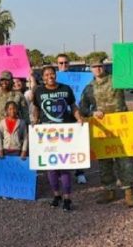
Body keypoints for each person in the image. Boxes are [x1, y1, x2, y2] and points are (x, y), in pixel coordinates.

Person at [79, 55, 133, 208]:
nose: (97, 69)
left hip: (121, 127)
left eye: (100, 66)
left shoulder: (117, 80)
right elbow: (82, 108)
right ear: (90, 69)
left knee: (124, 160)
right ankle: (109, 190)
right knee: (104, 162)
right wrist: (92, 113)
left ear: (104, 66)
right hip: (103, 129)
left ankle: (128, 191)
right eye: (94, 67)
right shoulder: (89, 88)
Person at [31, 65, 85, 212]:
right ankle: (56, 195)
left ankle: (67, 198)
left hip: (64, 133)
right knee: (51, 168)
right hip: (46, 134)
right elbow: (36, 108)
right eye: (46, 74)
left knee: (64, 167)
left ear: (55, 75)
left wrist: (79, 118)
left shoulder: (65, 89)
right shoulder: (39, 91)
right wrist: (35, 120)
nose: (50, 76)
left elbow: (73, 106)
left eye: (52, 74)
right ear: (43, 77)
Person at [56, 53, 87, 185]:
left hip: (74, 114)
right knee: (58, 145)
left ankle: (80, 172)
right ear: (57, 64)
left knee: (77, 144)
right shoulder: (53, 78)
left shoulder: (77, 77)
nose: (64, 65)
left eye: (66, 62)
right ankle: (60, 172)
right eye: (61, 63)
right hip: (59, 116)